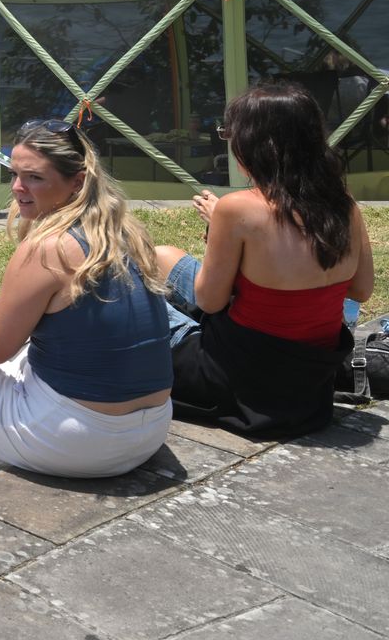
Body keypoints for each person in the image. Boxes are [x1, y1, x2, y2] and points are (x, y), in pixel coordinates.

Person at [0, 119, 174, 481]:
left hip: (81, 441)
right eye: (14, 174)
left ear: (76, 182)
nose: (17, 188)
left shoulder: (47, 248)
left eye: (34, 178)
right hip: (150, 431)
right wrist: (9, 306)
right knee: (0, 335)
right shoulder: (124, 232)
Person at [156, 83, 374, 438]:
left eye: (230, 133)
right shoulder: (343, 204)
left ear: (252, 144)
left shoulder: (237, 209)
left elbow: (210, 301)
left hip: (237, 376)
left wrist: (220, 230)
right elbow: (361, 290)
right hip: (308, 379)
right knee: (161, 256)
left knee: (124, 286)